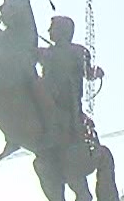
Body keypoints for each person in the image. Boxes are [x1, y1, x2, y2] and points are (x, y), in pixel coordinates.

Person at [39, 14, 103, 144]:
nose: (49, 31)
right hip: (51, 100)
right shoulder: (75, 52)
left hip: (68, 103)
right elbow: (89, 73)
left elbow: (88, 73)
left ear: (62, 31)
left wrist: (96, 72)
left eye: (52, 28)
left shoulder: (76, 52)